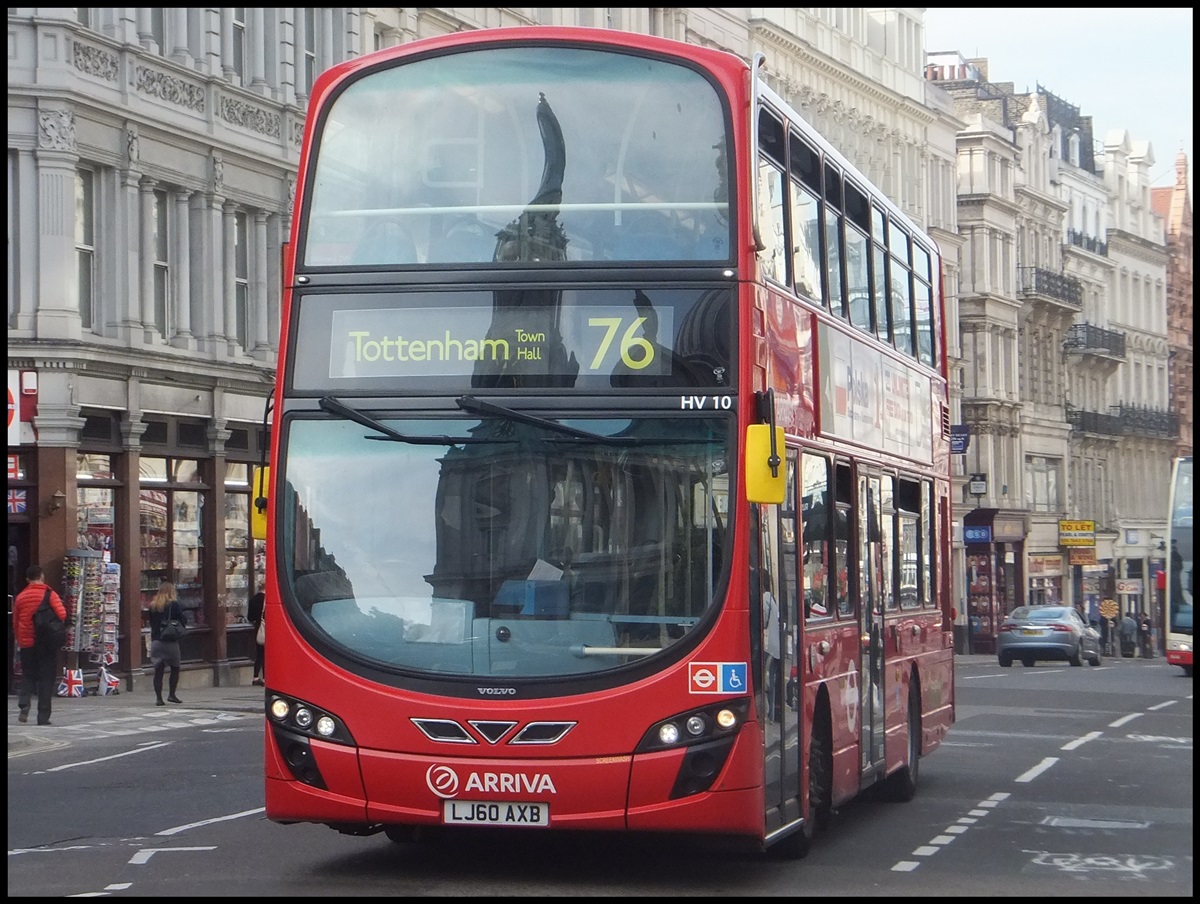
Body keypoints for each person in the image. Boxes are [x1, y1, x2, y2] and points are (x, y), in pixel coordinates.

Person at [12, 564, 67, 726]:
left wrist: (20, 639)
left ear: (28, 579)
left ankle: (24, 704)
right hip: (46, 643)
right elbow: (62, 614)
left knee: (28, 675)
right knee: (46, 678)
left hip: (27, 642)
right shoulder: (49, 594)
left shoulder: (21, 597)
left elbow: (15, 622)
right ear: (42, 577)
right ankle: (43, 717)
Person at [147, 580, 186, 705]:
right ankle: (171, 694)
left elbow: (152, 623)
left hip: (156, 641)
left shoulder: (153, 606)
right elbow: (183, 619)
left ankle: (159, 698)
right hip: (170, 642)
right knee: (175, 668)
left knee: (158, 671)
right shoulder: (173, 605)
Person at [762, 573, 781, 722]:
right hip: (775, 647)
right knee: (771, 680)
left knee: (766, 680)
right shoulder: (772, 598)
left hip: (767, 647)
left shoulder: (764, 599)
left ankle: (769, 712)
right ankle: (772, 714)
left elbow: (762, 621)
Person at [247, 584, 265, 686]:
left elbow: (250, 617)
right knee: (266, 655)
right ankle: (265, 677)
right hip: (266, 628)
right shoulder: (266, 601)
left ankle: (255, 676)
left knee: (259, 654)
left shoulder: (252, 600)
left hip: (257, 628)